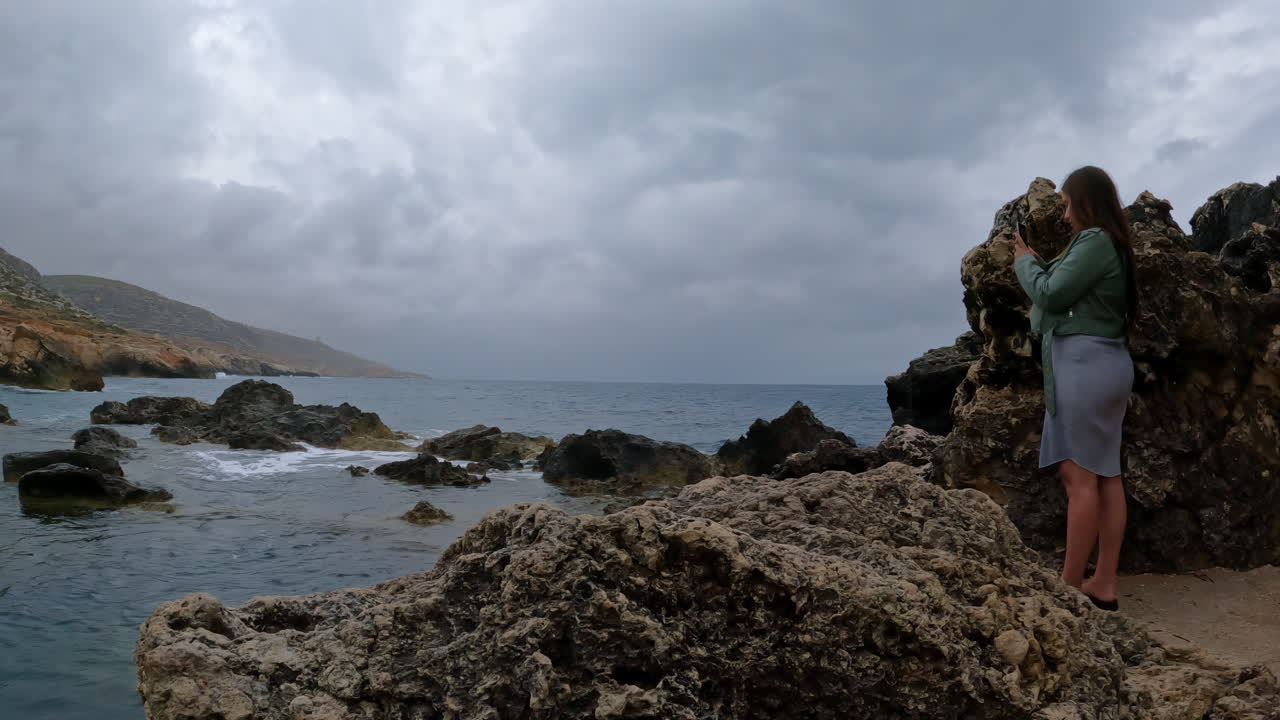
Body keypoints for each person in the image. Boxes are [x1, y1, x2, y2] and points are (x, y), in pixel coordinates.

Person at [1011, 165, 1138, 611]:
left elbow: (1051, 295)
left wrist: (1024, 264)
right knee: (1104, 475)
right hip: (1102, 363)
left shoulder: (1096, 240)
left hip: (1085, 367)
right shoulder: (1109, 245)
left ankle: (1069, 585)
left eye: (1067, 204)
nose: (1064, 215)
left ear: (1085, 201)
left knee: (1079, 477)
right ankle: (1102, 583)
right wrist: (1039, 262)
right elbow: (1068, 287)